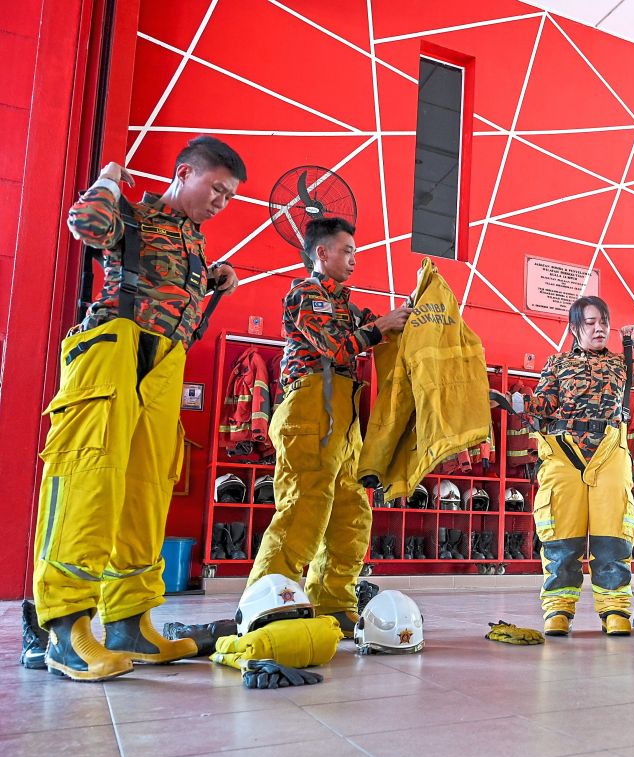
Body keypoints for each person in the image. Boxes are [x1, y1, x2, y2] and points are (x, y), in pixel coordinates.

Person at [33, 136, 245, 681]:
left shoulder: (193, 245)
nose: (221, 201)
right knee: (89, 479)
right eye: (215, 188)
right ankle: (65, 629)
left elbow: (183, 310)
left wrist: (214, 280)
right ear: (183, 174)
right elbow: (87, 225)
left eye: (229, 195)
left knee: (146, 491)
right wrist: (108, 179)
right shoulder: (133, 213)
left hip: (164, 362)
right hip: (112, 348)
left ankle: (130, 624)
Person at [245, 217, 411, 632]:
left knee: (350, 512)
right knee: (303, 507)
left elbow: (384, 330)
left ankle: (333, 601)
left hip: (345, 414)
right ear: (322, 253)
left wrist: (411, 314)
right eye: (347, 251)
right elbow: (335, 347)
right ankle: (267, 604)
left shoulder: (348, 306)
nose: (354, 260)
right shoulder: (306, 294)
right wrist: (379, 327)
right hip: (310, 409)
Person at [526, 296, 634, 636]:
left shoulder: (623, 363)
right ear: (575, 328)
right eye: (590, 322)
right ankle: (558, 609)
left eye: (603, 322)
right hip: (565, 452)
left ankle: (615, 609)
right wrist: (521, 404)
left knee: (613, 534)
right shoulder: (557, 363)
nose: (599, 328)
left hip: (609, 450)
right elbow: (544, 404)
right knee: (562, 534)